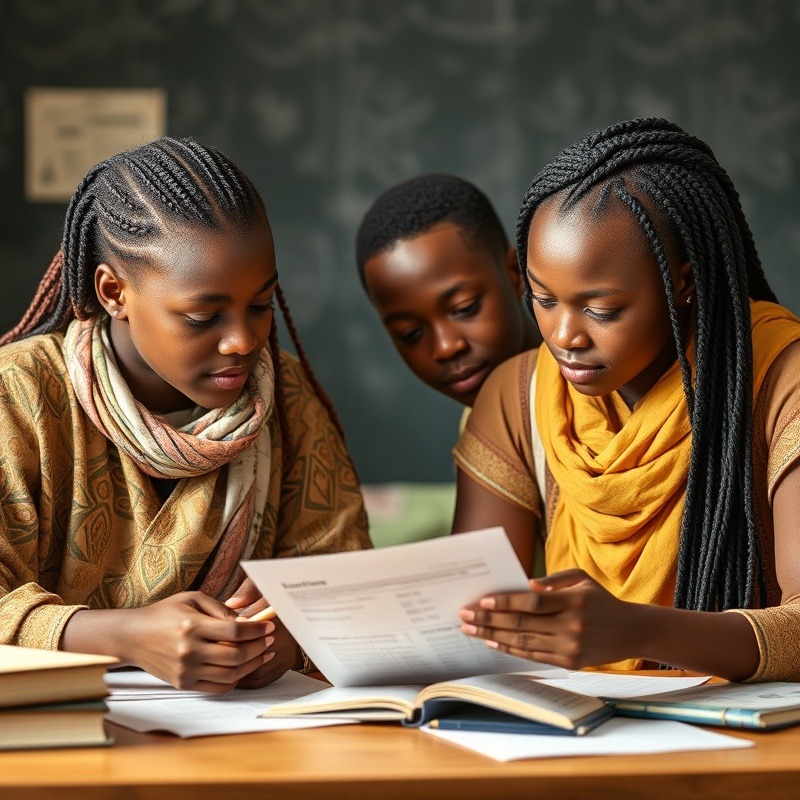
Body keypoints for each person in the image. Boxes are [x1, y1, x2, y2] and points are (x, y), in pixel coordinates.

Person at [0, 136, 370, 692]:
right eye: (203, 318)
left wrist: (289, 639)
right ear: (112, 292)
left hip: (251, 743)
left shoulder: (288, 400)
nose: (244, 341)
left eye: (261, 305)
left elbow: (350, 586)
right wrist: (122, 635)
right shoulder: (19, 393)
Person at [453, 117, 800, 682]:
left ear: (682, 282)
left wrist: (635, 629)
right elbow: (465, 616)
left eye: (601, 310)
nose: (564, 336)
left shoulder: (781, 378)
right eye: (542, 299)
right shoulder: (520, 395)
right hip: (569, 735)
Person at [356, 174, 541, 411]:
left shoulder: (594, 399)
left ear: (515, 274)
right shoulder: (480, 428)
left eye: (465, 308)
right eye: (410, 333)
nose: (445, 347)